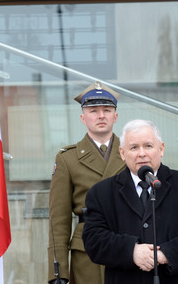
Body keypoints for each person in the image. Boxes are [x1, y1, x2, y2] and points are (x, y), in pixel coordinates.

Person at [82, 119, 178, 284]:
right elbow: (94, 240)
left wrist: (164, 255)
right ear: (122, 153)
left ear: (161, 149)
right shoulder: (101, 193)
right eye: (134, 147)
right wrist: (131, 251)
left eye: (148, 146)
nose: (142, 153)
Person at [47, 82, 126, 284]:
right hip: (88, 250)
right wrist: (59, 272)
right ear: (83, 118)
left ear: (115, 117)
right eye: (93, 111)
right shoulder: (67, 158)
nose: (101, 116)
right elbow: (59, 221)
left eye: (107, 110)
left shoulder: (132, 153)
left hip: (128, 245)